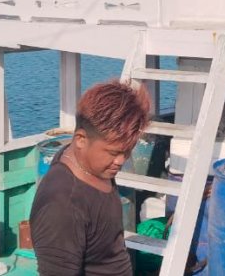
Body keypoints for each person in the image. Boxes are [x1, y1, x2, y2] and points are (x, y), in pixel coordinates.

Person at [30, 80, 152, 275]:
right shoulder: (62, 205)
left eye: (127, 151)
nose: (121, 161)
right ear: (80, 139)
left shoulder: (95, 166)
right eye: (113, 153)